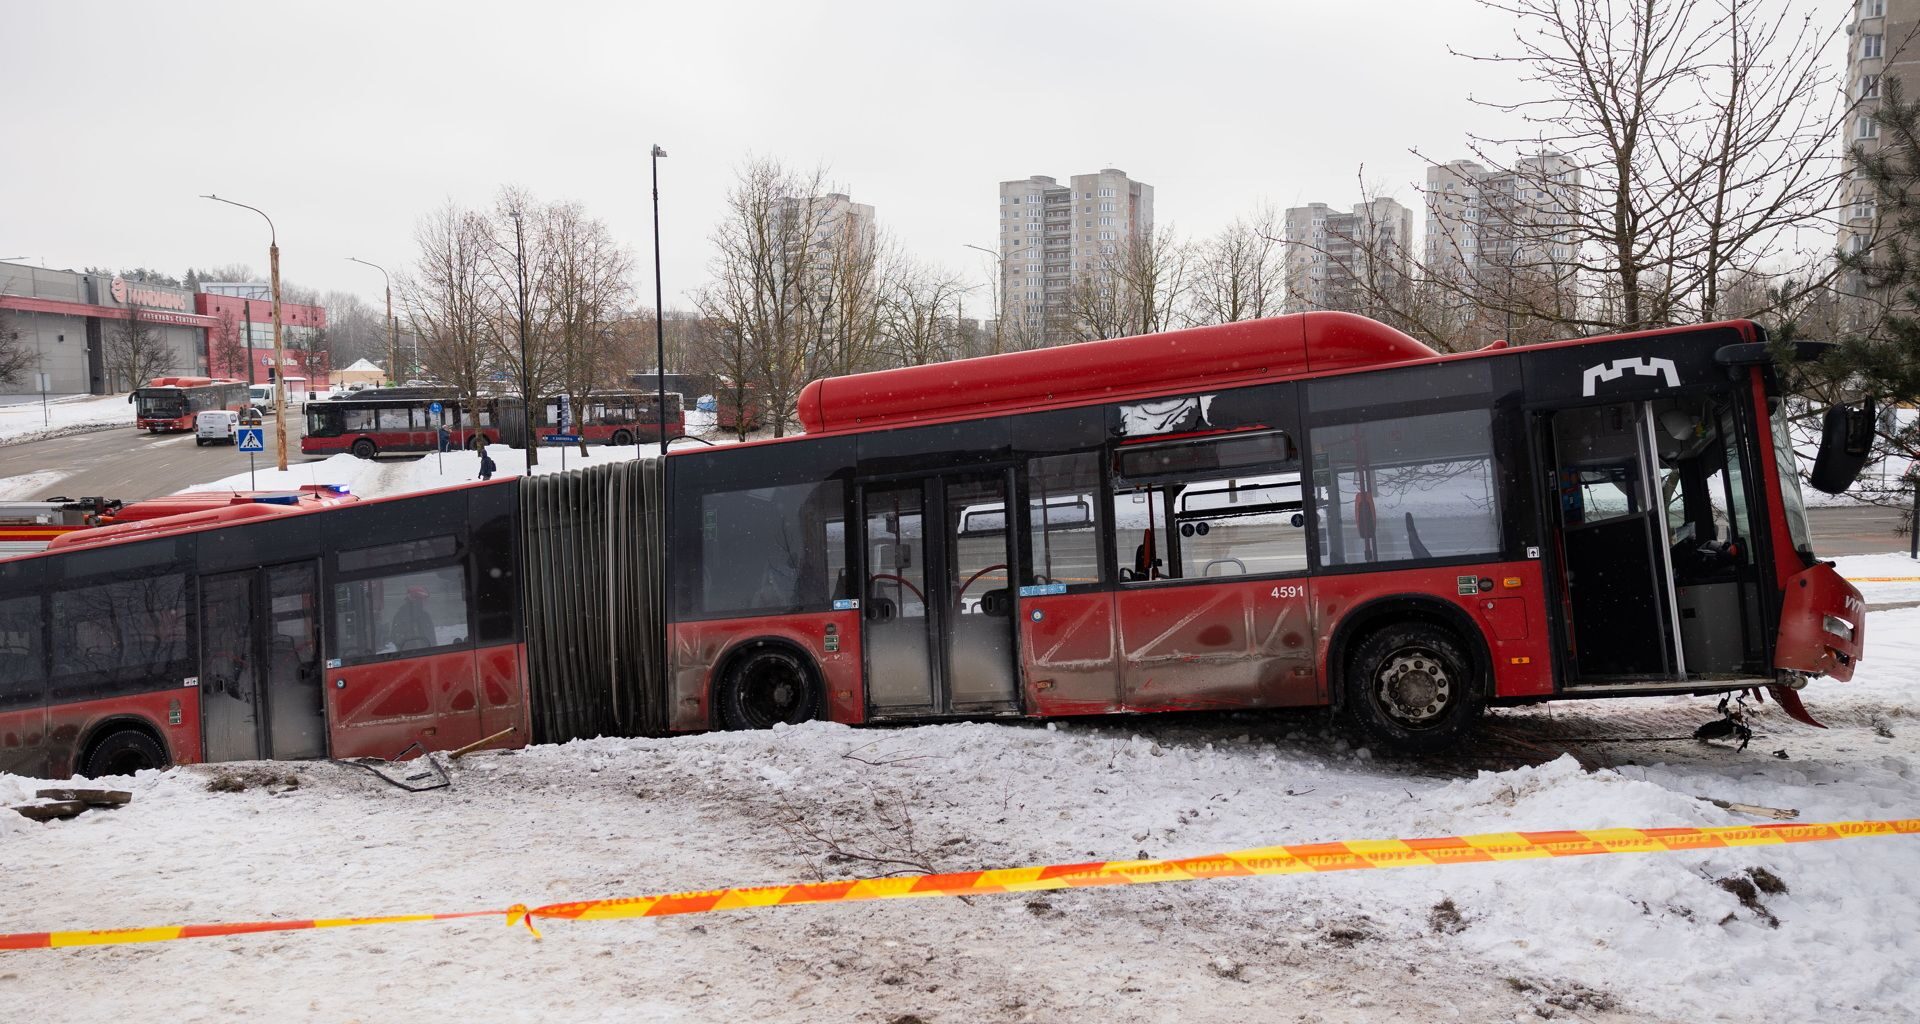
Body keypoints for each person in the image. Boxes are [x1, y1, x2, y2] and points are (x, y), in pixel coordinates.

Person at [390, 585, 436, 651]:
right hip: (409, 657)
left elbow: (432, 639)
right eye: (424, 599)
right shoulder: (400, 616)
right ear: (417, 599)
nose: (426, 602)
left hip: (427, 655)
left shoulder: (425, 616)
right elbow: (396, 639)